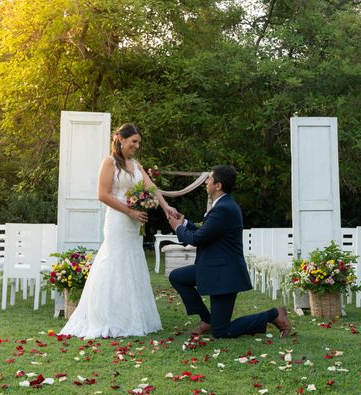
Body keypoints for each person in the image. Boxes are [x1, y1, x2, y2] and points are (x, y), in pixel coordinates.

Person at [60, 123, 176, 338]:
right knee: (114, 261)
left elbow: (151, 187)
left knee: (132, 263)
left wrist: (166, 207)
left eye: (139, 142)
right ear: (120, 139)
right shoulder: (109, 162)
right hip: (118, 220)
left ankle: (132, 317)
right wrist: (130, 212)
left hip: (135, 224)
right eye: (134, 141)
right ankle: (106, 317)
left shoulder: (136, 163)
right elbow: (103, 195)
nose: (137, 146)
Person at [167, 165, 291, 338]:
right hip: (213, 268)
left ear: (218, 185)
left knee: (221, 332)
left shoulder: (224, 208)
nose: (206, 182)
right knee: (177, 277)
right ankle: (207, 319)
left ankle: (274, 314)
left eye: (209, 179)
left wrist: (178, 228)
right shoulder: (222, 205)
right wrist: (185, 223)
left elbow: (197, 239)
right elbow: (206, 233)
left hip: (225, 275)